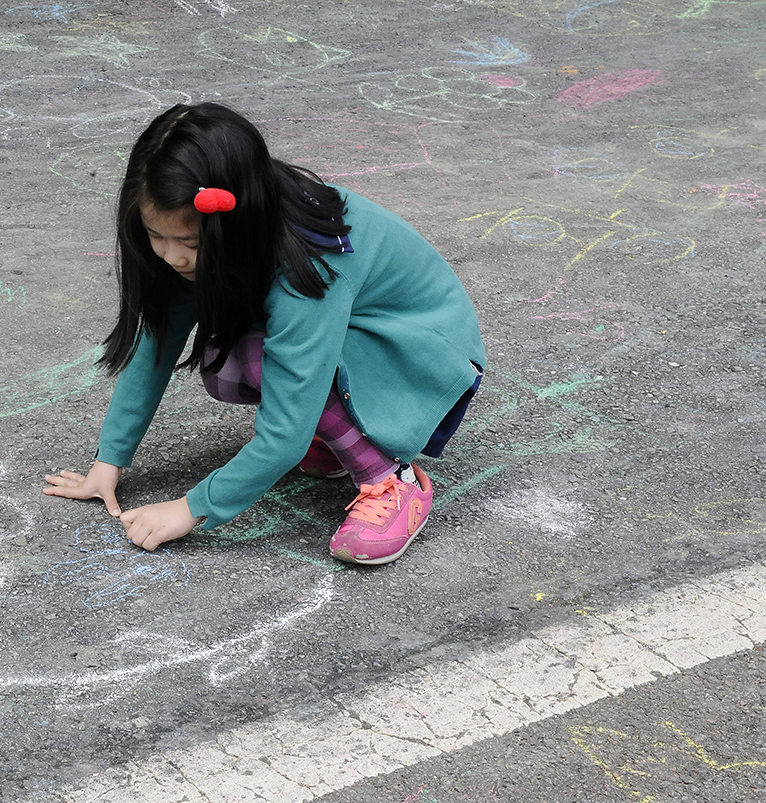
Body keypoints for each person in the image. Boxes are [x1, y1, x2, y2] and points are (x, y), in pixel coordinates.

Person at [43, 102, 485, 565]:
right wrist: (110, 459)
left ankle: (393, 480)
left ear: (233, 218)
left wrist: (193, 508)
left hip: (426, 356)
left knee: (261, 360)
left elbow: (285, 431)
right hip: (365, 342)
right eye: (156, 235)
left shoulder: (307, 264)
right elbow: (157, 340)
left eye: (190, 245)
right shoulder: (226, 228)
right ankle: (342, 433)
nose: (171, 256)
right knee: (227, 361)